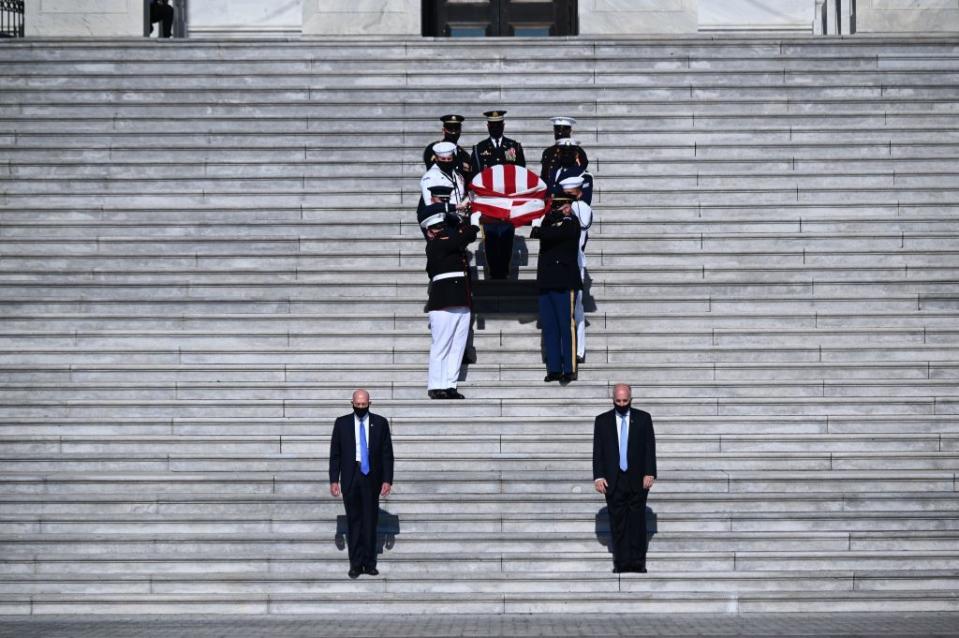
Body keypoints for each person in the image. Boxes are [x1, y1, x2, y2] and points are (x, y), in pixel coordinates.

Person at [329, 389, 394, 579]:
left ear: (369, 403)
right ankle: (356, 564)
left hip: (371, 476)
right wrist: (334, 479)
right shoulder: (342, 424)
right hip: (351, 475)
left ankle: (369, 562)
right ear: (352, 403)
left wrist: (387, 480)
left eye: (363, 405)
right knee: (354, 521)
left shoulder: (380, 423)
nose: (360, 408)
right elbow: (335, 454)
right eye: (357, 405)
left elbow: (387, 454)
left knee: (370, 520)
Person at [592, 384, 656, 574]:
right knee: (618, 523)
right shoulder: (602, 421)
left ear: (631, 399)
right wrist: (598, 476)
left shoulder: (643, 418)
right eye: (618, 401)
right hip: (613, 480)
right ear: (613, 400)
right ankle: (620, 563)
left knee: (637, 522)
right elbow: (598, 451)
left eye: (625, 401)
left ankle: (638, 563)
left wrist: (650, 472)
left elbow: (649, 447)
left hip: (637, 479)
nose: (621, 404)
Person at [422, 209, 481, 399]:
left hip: (461, 300)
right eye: (437, 228)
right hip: (443, 302)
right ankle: (435, 385)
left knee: (457, 346)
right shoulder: (435, 245)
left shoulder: (450, 243)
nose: (441, 230)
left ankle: (449, 385)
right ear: (429, 232)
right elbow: (465, 236)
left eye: (443, 226)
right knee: (442, 345)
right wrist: (473, 222)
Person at [530, 194, 582, 383]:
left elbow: (558, 235)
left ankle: (568, 368)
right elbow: (539, 232)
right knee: (550, 327)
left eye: (564, 205)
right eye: (558, 205)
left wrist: (547, 225)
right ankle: (553, 368)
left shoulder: (572, 223)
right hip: (547, 281)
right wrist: (548, 218)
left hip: (564, 282)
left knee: (565, 326)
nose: (561, 209)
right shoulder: (549, 222)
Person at [472, 110, 525, 279]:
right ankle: (495, 276)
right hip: (489, 204)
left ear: (503, 126)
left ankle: (504, 275)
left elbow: (521, 174)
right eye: (492, 125)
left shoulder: (513, 147)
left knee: (507, 240)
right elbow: (475, 175)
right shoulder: (479, 148)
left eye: (498, 125)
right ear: (488, 126)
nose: (495, 128)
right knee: (491, 241)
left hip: (508, 203)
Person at [559, 175, 593, 364]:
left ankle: (579, 350)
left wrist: (570, 208)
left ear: (579, 192)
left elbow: (581, 225)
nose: (566, 200)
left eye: (570, 195)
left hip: (575, 262)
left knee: (576, 309)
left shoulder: (583, 208)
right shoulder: (563, 207)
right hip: (560, 262)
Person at [423, 114, 474, 184]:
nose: (453, 132)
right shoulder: (433, 148)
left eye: (456, 128)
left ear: (460, 130)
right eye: (450, 128)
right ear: (443, 130)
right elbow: (437, 167)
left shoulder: (464, 154)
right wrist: (461, 165)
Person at [543, 138, 594, 205]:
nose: (566, 155)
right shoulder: (553, 172)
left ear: (576, 155)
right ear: (559, 154)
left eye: (570, 153)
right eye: (563, 152)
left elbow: (585, 202)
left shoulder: (583, 175)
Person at [540, 116, 589, 181]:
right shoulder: (548, 151)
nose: (560, 133)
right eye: (557, 129)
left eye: (564, 129)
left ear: (570, 131)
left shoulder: (577, 151)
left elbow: (581, 171)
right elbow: (544, 174)